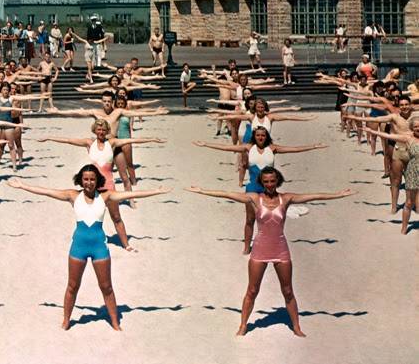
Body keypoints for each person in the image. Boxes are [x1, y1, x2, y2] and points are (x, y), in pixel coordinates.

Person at [186, 168, 355, 337]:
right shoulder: (254, 198)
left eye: (272, 181)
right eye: (266, 181)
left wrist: (338, 194)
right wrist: (202, 191)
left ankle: (296, 327)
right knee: (252, 290)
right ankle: (243, 325)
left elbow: (314, 196)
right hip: (260, 249)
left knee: (288, 291)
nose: (269, 184)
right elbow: (227, 194)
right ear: (262, 182)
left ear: (277, 181)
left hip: (280, 249)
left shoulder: (286, 198)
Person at [8, 167, 170, 330]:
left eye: (92, 179)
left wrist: (156, 191)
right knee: (72, 286)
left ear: (97, 180)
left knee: (106, 287)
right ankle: (66, 321)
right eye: (85, 179)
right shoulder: (73, 196)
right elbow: (48, 192)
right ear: (81, 179)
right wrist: (23, 186)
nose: (89, 183)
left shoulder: (106, 196)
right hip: (78, 247)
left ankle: (115, 322)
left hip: (99, 247)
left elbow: (131, 194)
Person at [36, 120, 166, 250]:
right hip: (92, 185)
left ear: (107, 130)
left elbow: (130, 141)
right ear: (94, 130)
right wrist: (49, 137)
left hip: (109, 185)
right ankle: (89, 240)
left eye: (103, 130)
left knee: (116, 216)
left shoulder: (112, 143)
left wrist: (152, 139)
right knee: (89, 215)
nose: (101, 132)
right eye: (99, 129)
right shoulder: (89, 143)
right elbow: (69, 140)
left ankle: (126, 245)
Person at [193, 128, 326, 254]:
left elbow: (294, 149)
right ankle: (246, 247)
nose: (260, 137)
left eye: (263, 135)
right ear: (254, 136)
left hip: (268, 188)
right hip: (252, 188)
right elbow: (228, 148)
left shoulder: (272, 148)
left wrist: (313, 146)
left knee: (269, 219)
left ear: (266, 136)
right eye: (258, 135)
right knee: (250, 219)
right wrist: (205, 144)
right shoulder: (248, 148)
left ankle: (269, 244)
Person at [364, 117, 419, 234]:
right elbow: (389, 137)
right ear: (412, 128)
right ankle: (404, 228)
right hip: (413, 172)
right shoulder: (408, 138)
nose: (418, 128)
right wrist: (372, 131)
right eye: (416, 126)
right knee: (409, 202)